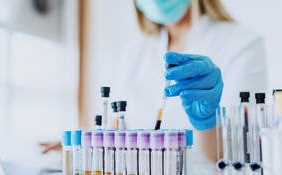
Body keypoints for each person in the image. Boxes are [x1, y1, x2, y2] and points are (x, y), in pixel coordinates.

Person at [42, 0, 267, 173]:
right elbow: (117, 129)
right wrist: (82, 148)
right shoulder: (134, 52)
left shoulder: (242, 44)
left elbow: (235, 154)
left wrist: (207, 122)